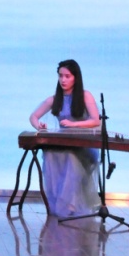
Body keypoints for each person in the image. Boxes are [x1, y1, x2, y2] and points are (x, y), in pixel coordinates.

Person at [28, 59, 100, 218]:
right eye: (60, 76)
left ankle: (70, 205)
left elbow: (95, 120)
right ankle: (58, 203)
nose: (63, 80)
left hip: (83, 146)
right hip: (64, 143)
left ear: (76, 77)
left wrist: (74, 125)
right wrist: (39, 126)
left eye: (67, 76)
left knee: (71, 157)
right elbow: (33, 116)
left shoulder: (85, 96)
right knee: (49, 154)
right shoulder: (55, 99)